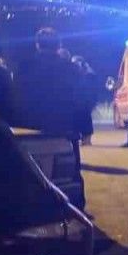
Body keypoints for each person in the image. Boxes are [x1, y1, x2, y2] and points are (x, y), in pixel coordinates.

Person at [12, 28, 88, 208]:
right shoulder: (70, 69)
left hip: (32, 130)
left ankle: (34, 207)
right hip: (65, 128)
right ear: (58, 45)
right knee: (71, 171)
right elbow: (81, 100)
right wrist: (83, 128)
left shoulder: (25, 67)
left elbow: (16, 97)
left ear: (37, 45)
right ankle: (75, 206)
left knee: (31, 172)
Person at [70, 55, 97, 146]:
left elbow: (92, 90)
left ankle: (86, 139)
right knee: (77, 121)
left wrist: (91, 103)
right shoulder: (76, 73)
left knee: (86, 120)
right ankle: (80, 138)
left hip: (85, 103)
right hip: (77, 102)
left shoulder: (89, 74)